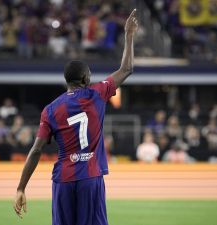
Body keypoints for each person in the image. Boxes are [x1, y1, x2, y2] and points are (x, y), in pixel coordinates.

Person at [13, 9, 138, 225]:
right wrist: (128, 35)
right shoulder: (97, 93)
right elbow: (126, 68)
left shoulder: (50, 109)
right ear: (84, 78)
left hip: (63, 179)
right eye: (89, 73)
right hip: (90, 176)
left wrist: (21, 187)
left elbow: (36, 150)